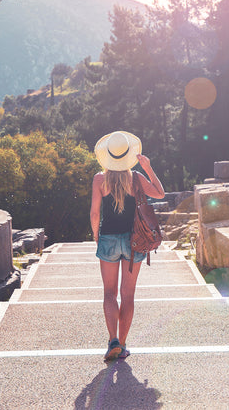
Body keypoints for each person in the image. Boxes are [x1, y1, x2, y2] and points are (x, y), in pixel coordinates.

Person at [90, 131, 165, 361]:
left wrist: (96, 236)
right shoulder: (136, 179)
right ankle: (122, 345)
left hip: (108, 240)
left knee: (109, 293)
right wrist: (148, 167)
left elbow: (95, 213)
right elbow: (160, 193)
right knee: (128, 295)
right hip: (135, 243)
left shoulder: (100, 179)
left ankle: (112, 340)